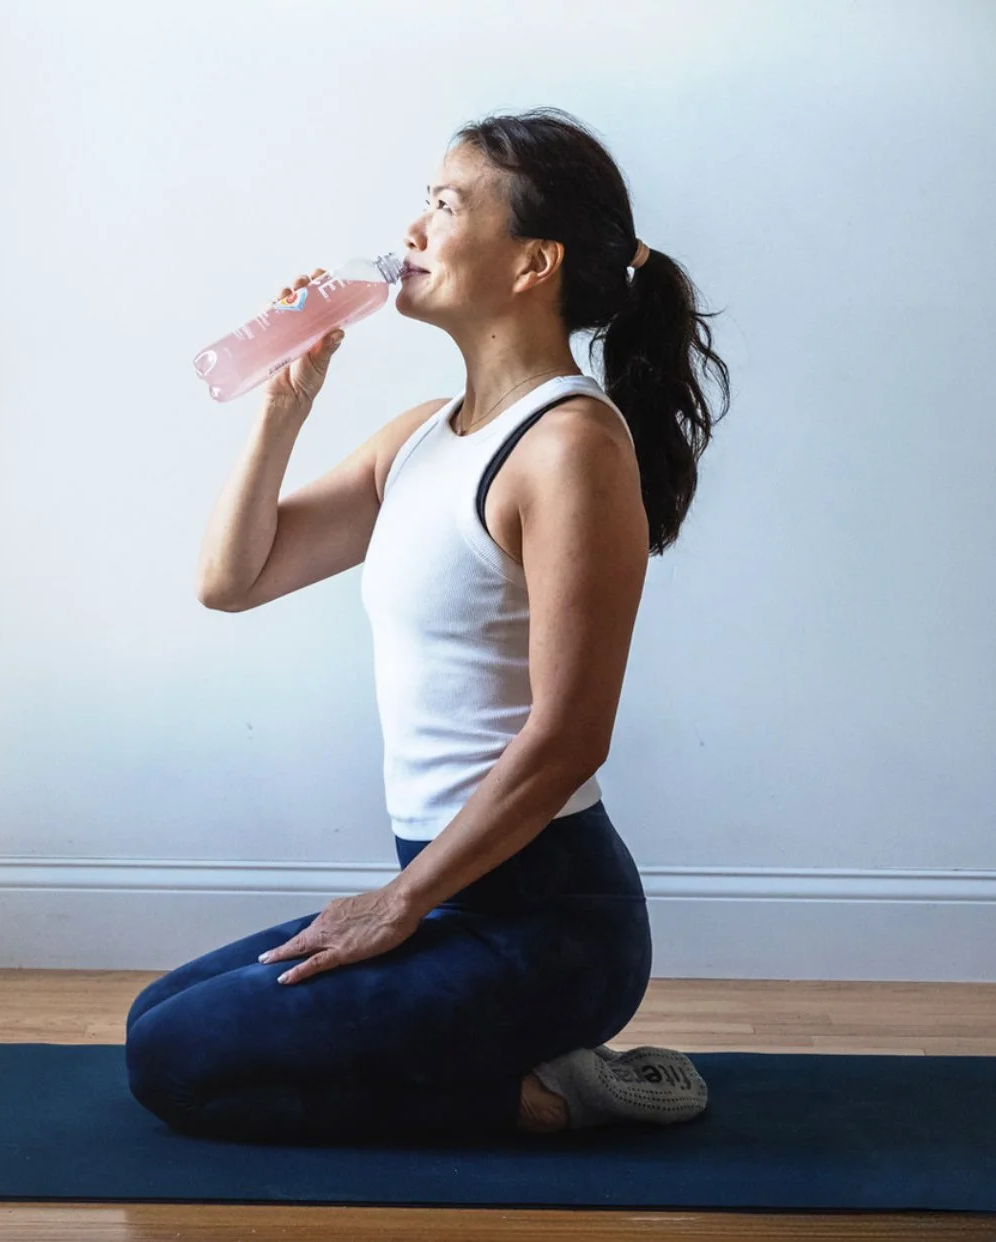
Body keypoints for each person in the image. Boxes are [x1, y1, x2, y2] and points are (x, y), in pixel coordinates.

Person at [125, 108, 732, 1143]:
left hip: (547, 920)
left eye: (446, 205)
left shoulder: (569, 445)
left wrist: (399, 901)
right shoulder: (419, 437)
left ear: (533, 262)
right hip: (448, 890)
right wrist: (283, 402)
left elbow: (571, 737)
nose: (412, 229)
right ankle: (504, 1058)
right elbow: (231, 581)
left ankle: (553, 1091)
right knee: (157, 1017)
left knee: (175, 1063)